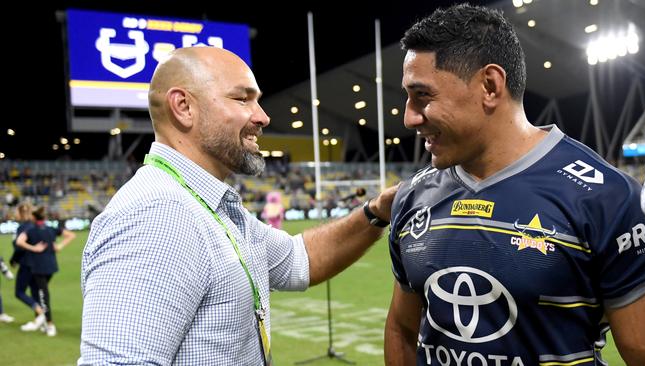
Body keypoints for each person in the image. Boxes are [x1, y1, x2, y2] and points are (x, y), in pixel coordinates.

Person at [78, 47, 397, 366]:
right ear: (183, 106)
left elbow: (299, 260)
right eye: (242, 99)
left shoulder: (207, 203)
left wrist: (377, 211)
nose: (262, 116)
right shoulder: (158, 214)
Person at [385, 4, 645, 366]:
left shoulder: (607, 196)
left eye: (423, 96)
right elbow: (402, 330)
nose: (409, 117)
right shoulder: (412, 198)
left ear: (490, 86)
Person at [15, 206, 76, 336]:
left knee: (43, 295)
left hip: (38, 268)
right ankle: (42, 321)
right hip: (51, 267)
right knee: (38, 292)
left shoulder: (31, 230)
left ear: (33, 217)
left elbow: (19, 241)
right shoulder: (50, 229)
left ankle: (49, 324)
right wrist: (60, 246)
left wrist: (33, 248)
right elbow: (71, 235)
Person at [10, 202, 41, 325]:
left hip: (26, 263)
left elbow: (19, 247)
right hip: (37, 263)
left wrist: (13, 260)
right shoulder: (34, 226)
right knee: (35, 291)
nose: (15, 214)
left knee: (19, 292)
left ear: (21, 213)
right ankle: (40, 319)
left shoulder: (22, 228)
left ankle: (40, 312)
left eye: (16, 212)